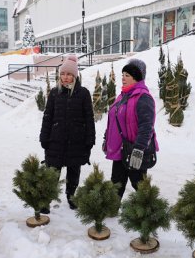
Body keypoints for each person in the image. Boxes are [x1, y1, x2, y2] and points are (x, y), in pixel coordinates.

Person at [39, 54, 95, 211]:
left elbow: (89, 119)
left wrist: (90, 140)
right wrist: (44, 137)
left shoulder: (83, 94)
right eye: (62, 74)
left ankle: (71, 196)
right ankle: (46, 201)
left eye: (69, 74)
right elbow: (47, 116)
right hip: (55, 141)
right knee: (52, 174)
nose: (65, 77)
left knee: (73, 173)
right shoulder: (54, 93)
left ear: (75, 76)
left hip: (76, 142)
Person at [103, 58, 158, 200]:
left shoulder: (143, 97)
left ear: (137, 77)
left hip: (134, 150)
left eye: (127, 75)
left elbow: (147, 126)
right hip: (120, 150)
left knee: (139, 185)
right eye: (122, 75)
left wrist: (139, 150)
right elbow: (113, 120)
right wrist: (106, 139)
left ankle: (149, 213)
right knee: (116, 183)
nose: (123, 78)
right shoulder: (122, 96)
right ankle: (112, 210)